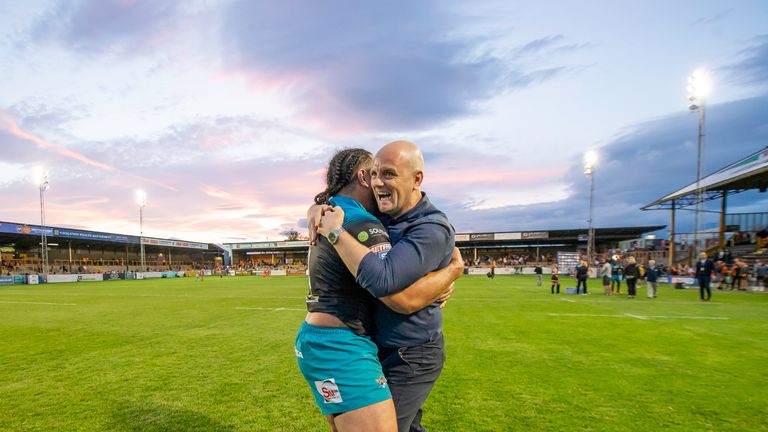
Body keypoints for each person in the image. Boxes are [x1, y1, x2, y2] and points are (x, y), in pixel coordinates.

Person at [297, 148, 463, 432]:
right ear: (363, 177)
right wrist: (450, 272)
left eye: (387, 174)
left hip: (402, 349)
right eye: (374, 173)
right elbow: (397, 295)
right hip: (347, 344)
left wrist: (447, 274)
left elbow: (399, 289)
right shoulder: (366, 219)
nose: (378, 182)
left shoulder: (424, 226)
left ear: (416, 179)